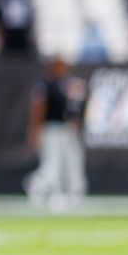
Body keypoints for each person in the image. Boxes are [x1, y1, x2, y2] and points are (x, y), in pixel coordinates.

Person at [24, 58, 87, 211]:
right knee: (52, 165)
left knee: (71, 162)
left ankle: (72, 193)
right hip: (51, 128)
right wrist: (36, 130)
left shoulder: (67, 84)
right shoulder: (46, 85)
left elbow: (73, 109)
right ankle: (37, 187)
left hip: (66, 129)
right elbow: (38, 109)